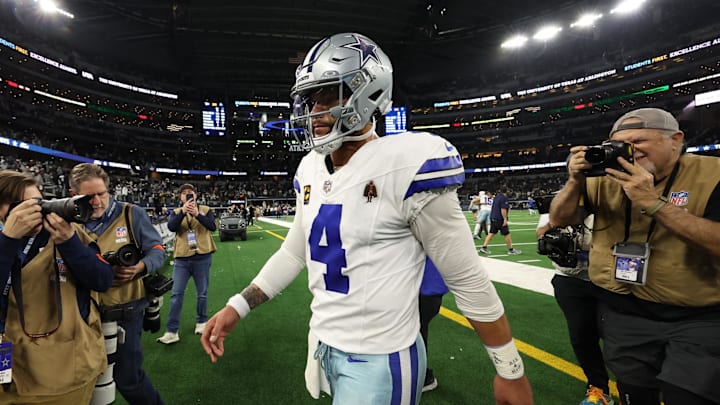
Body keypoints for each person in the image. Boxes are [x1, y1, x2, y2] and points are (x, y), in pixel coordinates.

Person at [200, 32, 532, 404]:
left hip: (381, 358)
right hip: (324, 344)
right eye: (309, 99)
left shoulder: (408, 163)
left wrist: (509, 370)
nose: (314, 111)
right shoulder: (310, 168)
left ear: (367, 92)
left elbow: (467, 278)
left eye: (328, 95)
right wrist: (238, 305)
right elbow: (295, 253)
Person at [549, 107, 720, 405]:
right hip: (622, 310)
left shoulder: (712, 174)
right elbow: (560, 218)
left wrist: (653, 203)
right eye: (621, 142)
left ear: (675, 140)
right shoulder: (601, 177)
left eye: (639, 140)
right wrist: (575, 180)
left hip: (697, 314)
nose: (629, 150)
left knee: (690, 395)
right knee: (634, 392)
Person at [0, 170, 113, 404]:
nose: (33, 213)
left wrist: (69, 242)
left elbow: (103, 280)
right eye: (22, 207)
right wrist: (9, 240)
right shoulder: (4, 241)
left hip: (69, 364)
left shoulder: (67, 233)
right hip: (14, 371)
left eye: (37, 204)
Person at [69, 163, 166, 405]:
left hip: (126, 310)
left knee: (128, 378)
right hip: (82, 315)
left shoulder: (132, 213)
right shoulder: (68, 221)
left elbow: (157, 250)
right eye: (88, 196)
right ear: (73, 195)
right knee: (85, 382)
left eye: (101, 194)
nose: (97, 201)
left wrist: (140, 267)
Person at [536, 213, 613, 405]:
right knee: (582, 336)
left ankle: (638, 388)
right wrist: (561, 219)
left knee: (620, 337)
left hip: (613, 278)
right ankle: (598, 388)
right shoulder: (563, 200)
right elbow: (541, 234)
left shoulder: (615, 195)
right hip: (571, 277)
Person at [158, 183, 216, 344]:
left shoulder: (205, 209)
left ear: (195, 195)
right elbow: (171, 227)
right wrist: (184, 212)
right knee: (176, 294)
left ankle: (202, 322)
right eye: (184, 193)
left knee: (202, 292)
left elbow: (212, 226)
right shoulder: (176, 212)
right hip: (182, 258)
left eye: (190, 192)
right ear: (180, 198)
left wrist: (197, 214)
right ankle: (171, 331)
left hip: (202, 256)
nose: (187, 195)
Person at [419, 258, 448, 393]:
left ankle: (422, 377)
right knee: (417, 331)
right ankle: (422, 376)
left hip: (424, 287)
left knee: (415, 332)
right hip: (425, 286)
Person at [480, 186, 522, 255]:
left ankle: (484, 247)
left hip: (493, 217)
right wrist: (505, 219)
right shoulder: (503, 198)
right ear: (507, 191)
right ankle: (511, 249)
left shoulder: (497, 197)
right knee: (507, 234)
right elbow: (503, 209)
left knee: (491, 233)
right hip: (500, 219)